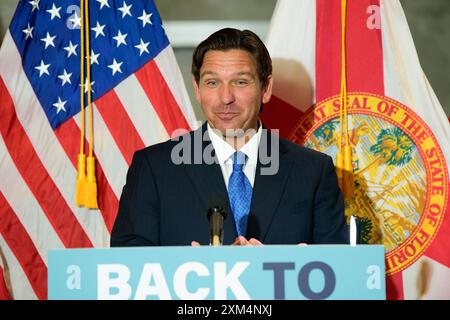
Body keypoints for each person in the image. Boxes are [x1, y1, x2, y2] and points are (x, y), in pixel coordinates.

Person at [110, 28, 348, 247]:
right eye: (212, 82)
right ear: (197, 88)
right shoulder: (154, 168)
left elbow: (338, 272)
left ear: (265, 89)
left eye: (240, 82)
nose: (225, 98)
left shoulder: (312, 172)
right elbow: (128, 265)